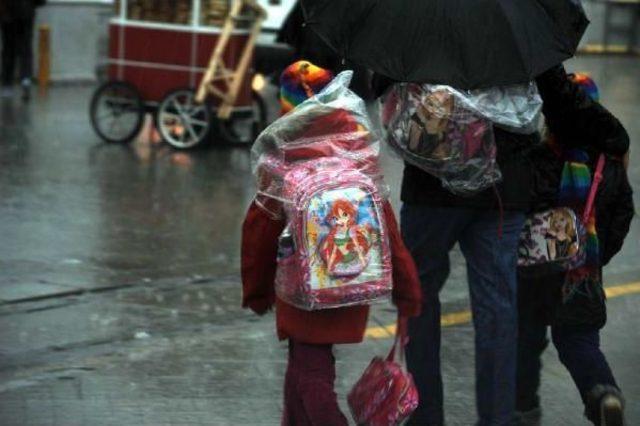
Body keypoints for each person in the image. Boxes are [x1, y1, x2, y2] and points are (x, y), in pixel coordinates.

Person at [241, 61, 422, 425]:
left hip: (301, 292)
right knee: (302, 366)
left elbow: (259, 233)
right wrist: (407, 291)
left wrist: (257, 292)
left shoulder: (283, 157)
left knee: (313, 375)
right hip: (353, 281)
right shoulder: (355, 153)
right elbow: (387, 232)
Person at [373, 75, 539, 425]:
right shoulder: (520, 29)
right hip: (503, 188)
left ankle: (425, 415)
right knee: (497, 308)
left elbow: (383, 82)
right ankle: (497, 418)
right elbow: (553, 93)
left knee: (418, 299)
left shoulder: (422, 27)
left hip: (432, 184)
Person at [516, 68, 634, 426]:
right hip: (583, 274)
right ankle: (604, 393)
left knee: (526, 342)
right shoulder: (608, 165)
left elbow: (523, 211)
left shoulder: (538, 158)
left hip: (536, 274)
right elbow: (621, 217)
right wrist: (594, 257)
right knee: (579, 340)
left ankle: (522, 411)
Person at [0, 0, 44, 100]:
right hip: (26, 10)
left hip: (8, 12)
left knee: (8, 48)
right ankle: (26, 80)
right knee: (26, 47)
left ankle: (7, 85)